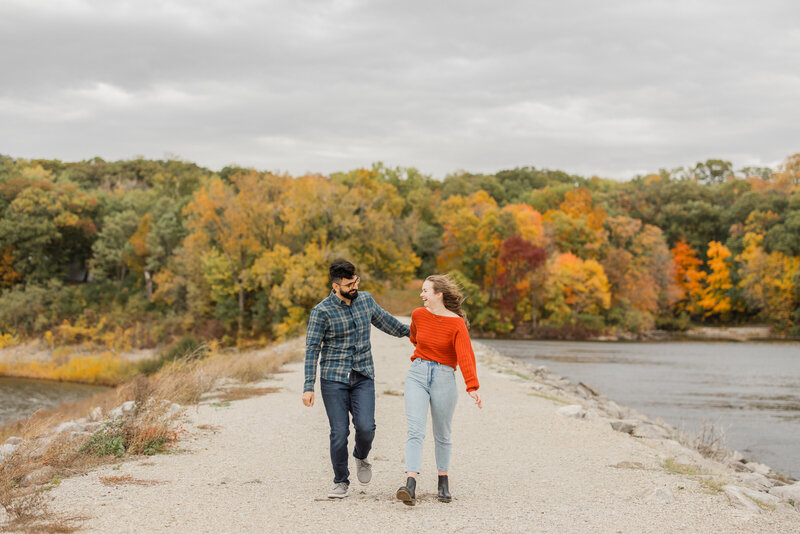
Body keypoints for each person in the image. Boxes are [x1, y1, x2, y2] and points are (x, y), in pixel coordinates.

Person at [303, 259, 411, 499]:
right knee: (339, 432)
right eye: (349, 284)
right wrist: (308, 386)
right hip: (333, 378)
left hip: (363, 375)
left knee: (366, 428)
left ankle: (361, 456)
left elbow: (387, 322)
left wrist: (413, 332)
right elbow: (312, 349)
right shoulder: (321, 312)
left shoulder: (366, 301)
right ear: (335, 285)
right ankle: (340, 481)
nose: (355, 286)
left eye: (356, 281)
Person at [396, 274, 482, 506]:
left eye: (425, 291)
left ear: (438, 294)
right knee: (415, 430)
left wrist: (472, 386)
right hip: (417, 373)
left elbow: (465, 356)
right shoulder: (418, 315)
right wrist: (427, 359)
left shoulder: (456, 323)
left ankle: (442, 482)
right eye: (422, 291)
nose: (421, 295)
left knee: (442, 433)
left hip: (444, 377)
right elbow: (415, 339)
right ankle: (410, 483)